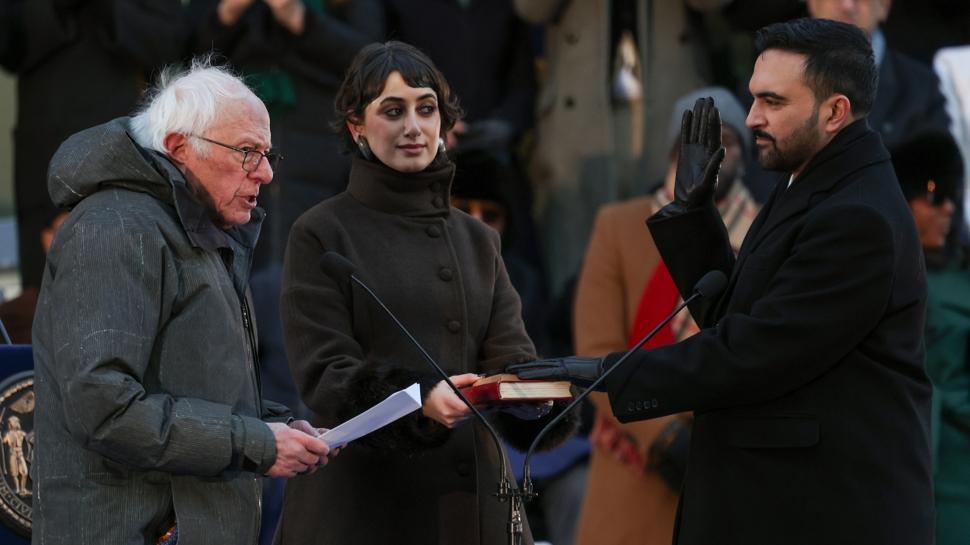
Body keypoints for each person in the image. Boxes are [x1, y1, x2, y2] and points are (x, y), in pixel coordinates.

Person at [511, 18, 933, 544]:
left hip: (824, 513)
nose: (752, 117)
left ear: (835, 111)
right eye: (753, 97)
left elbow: (754, 352)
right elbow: (739, 315)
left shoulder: (856, 214)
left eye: (773, 102)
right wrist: (693, 215)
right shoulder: (812, 182)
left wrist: (606, 371)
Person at [276, 41, 574, 545]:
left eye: (426, 108)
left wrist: (535, 397)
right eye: (392, 111)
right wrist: (422, 402)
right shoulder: (320, 232)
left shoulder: (478, 237)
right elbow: (327, 378)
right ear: (357, 126)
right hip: (364, 510)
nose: (413, 126)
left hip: (475, 505)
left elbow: (512, 355)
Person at [31, 59, 336, 545]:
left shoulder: (195, 230)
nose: (265, 173)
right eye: (247, 152)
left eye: (267, 154)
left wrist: (274, 427)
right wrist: (256, 444)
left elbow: (195, 387)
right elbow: (102, 407)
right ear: (179, 149)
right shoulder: (117, 229)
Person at [572, 86, 759, 545]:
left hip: (727, 464)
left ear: (746, 155)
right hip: (632, 458)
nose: (711, 153)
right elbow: (596, 350)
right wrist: (666, 438)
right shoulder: (619, 225)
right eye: (694, 142)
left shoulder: (765, 232)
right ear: (672, 153)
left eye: (727, 141)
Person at [891, 131, 970, 545]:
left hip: (956, 464)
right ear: (904, 200)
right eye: (934, 195)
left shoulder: (963, 277)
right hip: (892, 455)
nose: (949, 207)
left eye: (952, 195)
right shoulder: (873, 272)